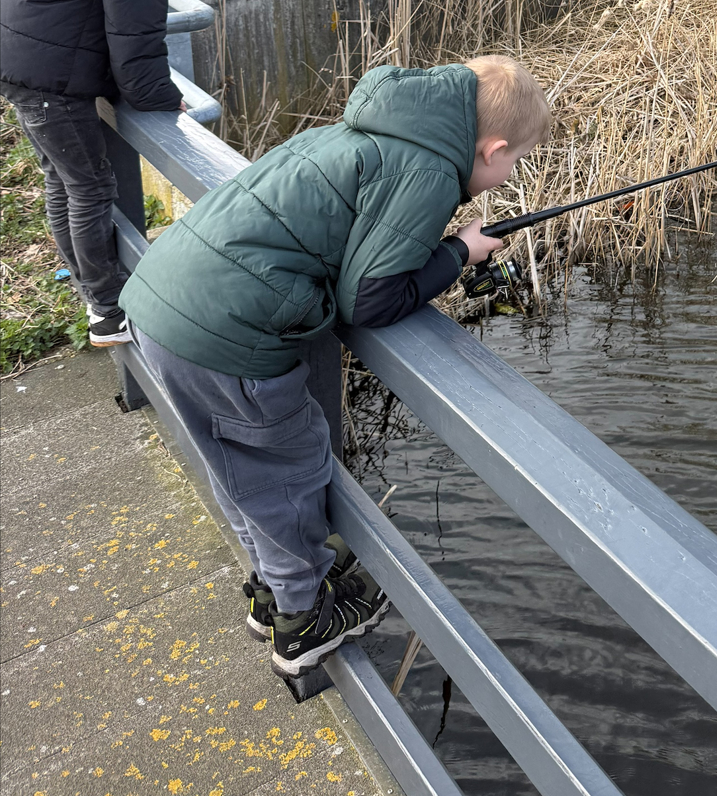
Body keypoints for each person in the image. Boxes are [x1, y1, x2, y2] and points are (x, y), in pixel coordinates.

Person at [119, 55, 551, 678]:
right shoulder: (430, 174)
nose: (509, 175)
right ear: (494, 149)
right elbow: (370, 300)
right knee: (285, 474)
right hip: (227, 338)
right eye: (515, 162)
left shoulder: (369, 132)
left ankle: (270, 590)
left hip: (165, 305)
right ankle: (302, 621)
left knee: (238, 470)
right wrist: (458, 251)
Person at [0, 0, 232, 346]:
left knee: (65, 179)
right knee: (89, 185)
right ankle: (107, 310)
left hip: (25, 56)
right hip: (46, 71)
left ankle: (89, 285)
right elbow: (135, 27)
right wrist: (157, 95)